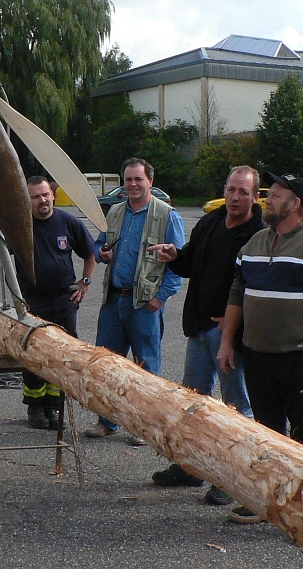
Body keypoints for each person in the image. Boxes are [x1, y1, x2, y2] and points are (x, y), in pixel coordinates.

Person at [217, 172, 303, 523]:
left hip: (299, 359)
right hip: (257, 358)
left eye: (275, 195)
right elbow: (236, 294)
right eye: (268, 194)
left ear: (296, 204)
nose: (267, 200)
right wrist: (227, 343)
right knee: (266, 437)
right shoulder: (255, 243)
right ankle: (267, 503)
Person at [148, 166, 266, 506]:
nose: (235, 197)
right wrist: (174, 256)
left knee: (235, 408)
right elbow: (189, 262)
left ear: (255, 197)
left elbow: (259, 287)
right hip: (200, 327)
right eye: (231, 189)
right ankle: (191, 467)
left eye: (243, 192)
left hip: (231, 334)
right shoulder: (211, 222)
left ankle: (233, 479)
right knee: (193, 403)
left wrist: (234, 321)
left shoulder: (259, 235)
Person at [0, 176, 96, 430]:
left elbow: (90, 254)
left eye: (45, 195)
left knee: (62, 356)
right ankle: (35, 407)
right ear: (27, 200)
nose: (42, 200)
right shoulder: (20, 226)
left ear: (52, 195)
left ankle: (54, 407)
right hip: (31, 302)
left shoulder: (69, 223)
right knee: (32, 354)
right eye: (35, 197)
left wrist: (85, 282)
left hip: (64, 302)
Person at [85, 157, 185, 445]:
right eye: (128, 180)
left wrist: (161, 297)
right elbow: (98, 244)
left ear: (150, 181)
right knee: (106, 365)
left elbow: (179, 262)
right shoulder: (116, 212)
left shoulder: (167, 215)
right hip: (113, 301)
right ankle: (107, 422)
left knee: (146, 369)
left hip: (144, 305)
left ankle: (144, 428)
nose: (133, 184)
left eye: (138, 179)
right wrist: (101, 253)